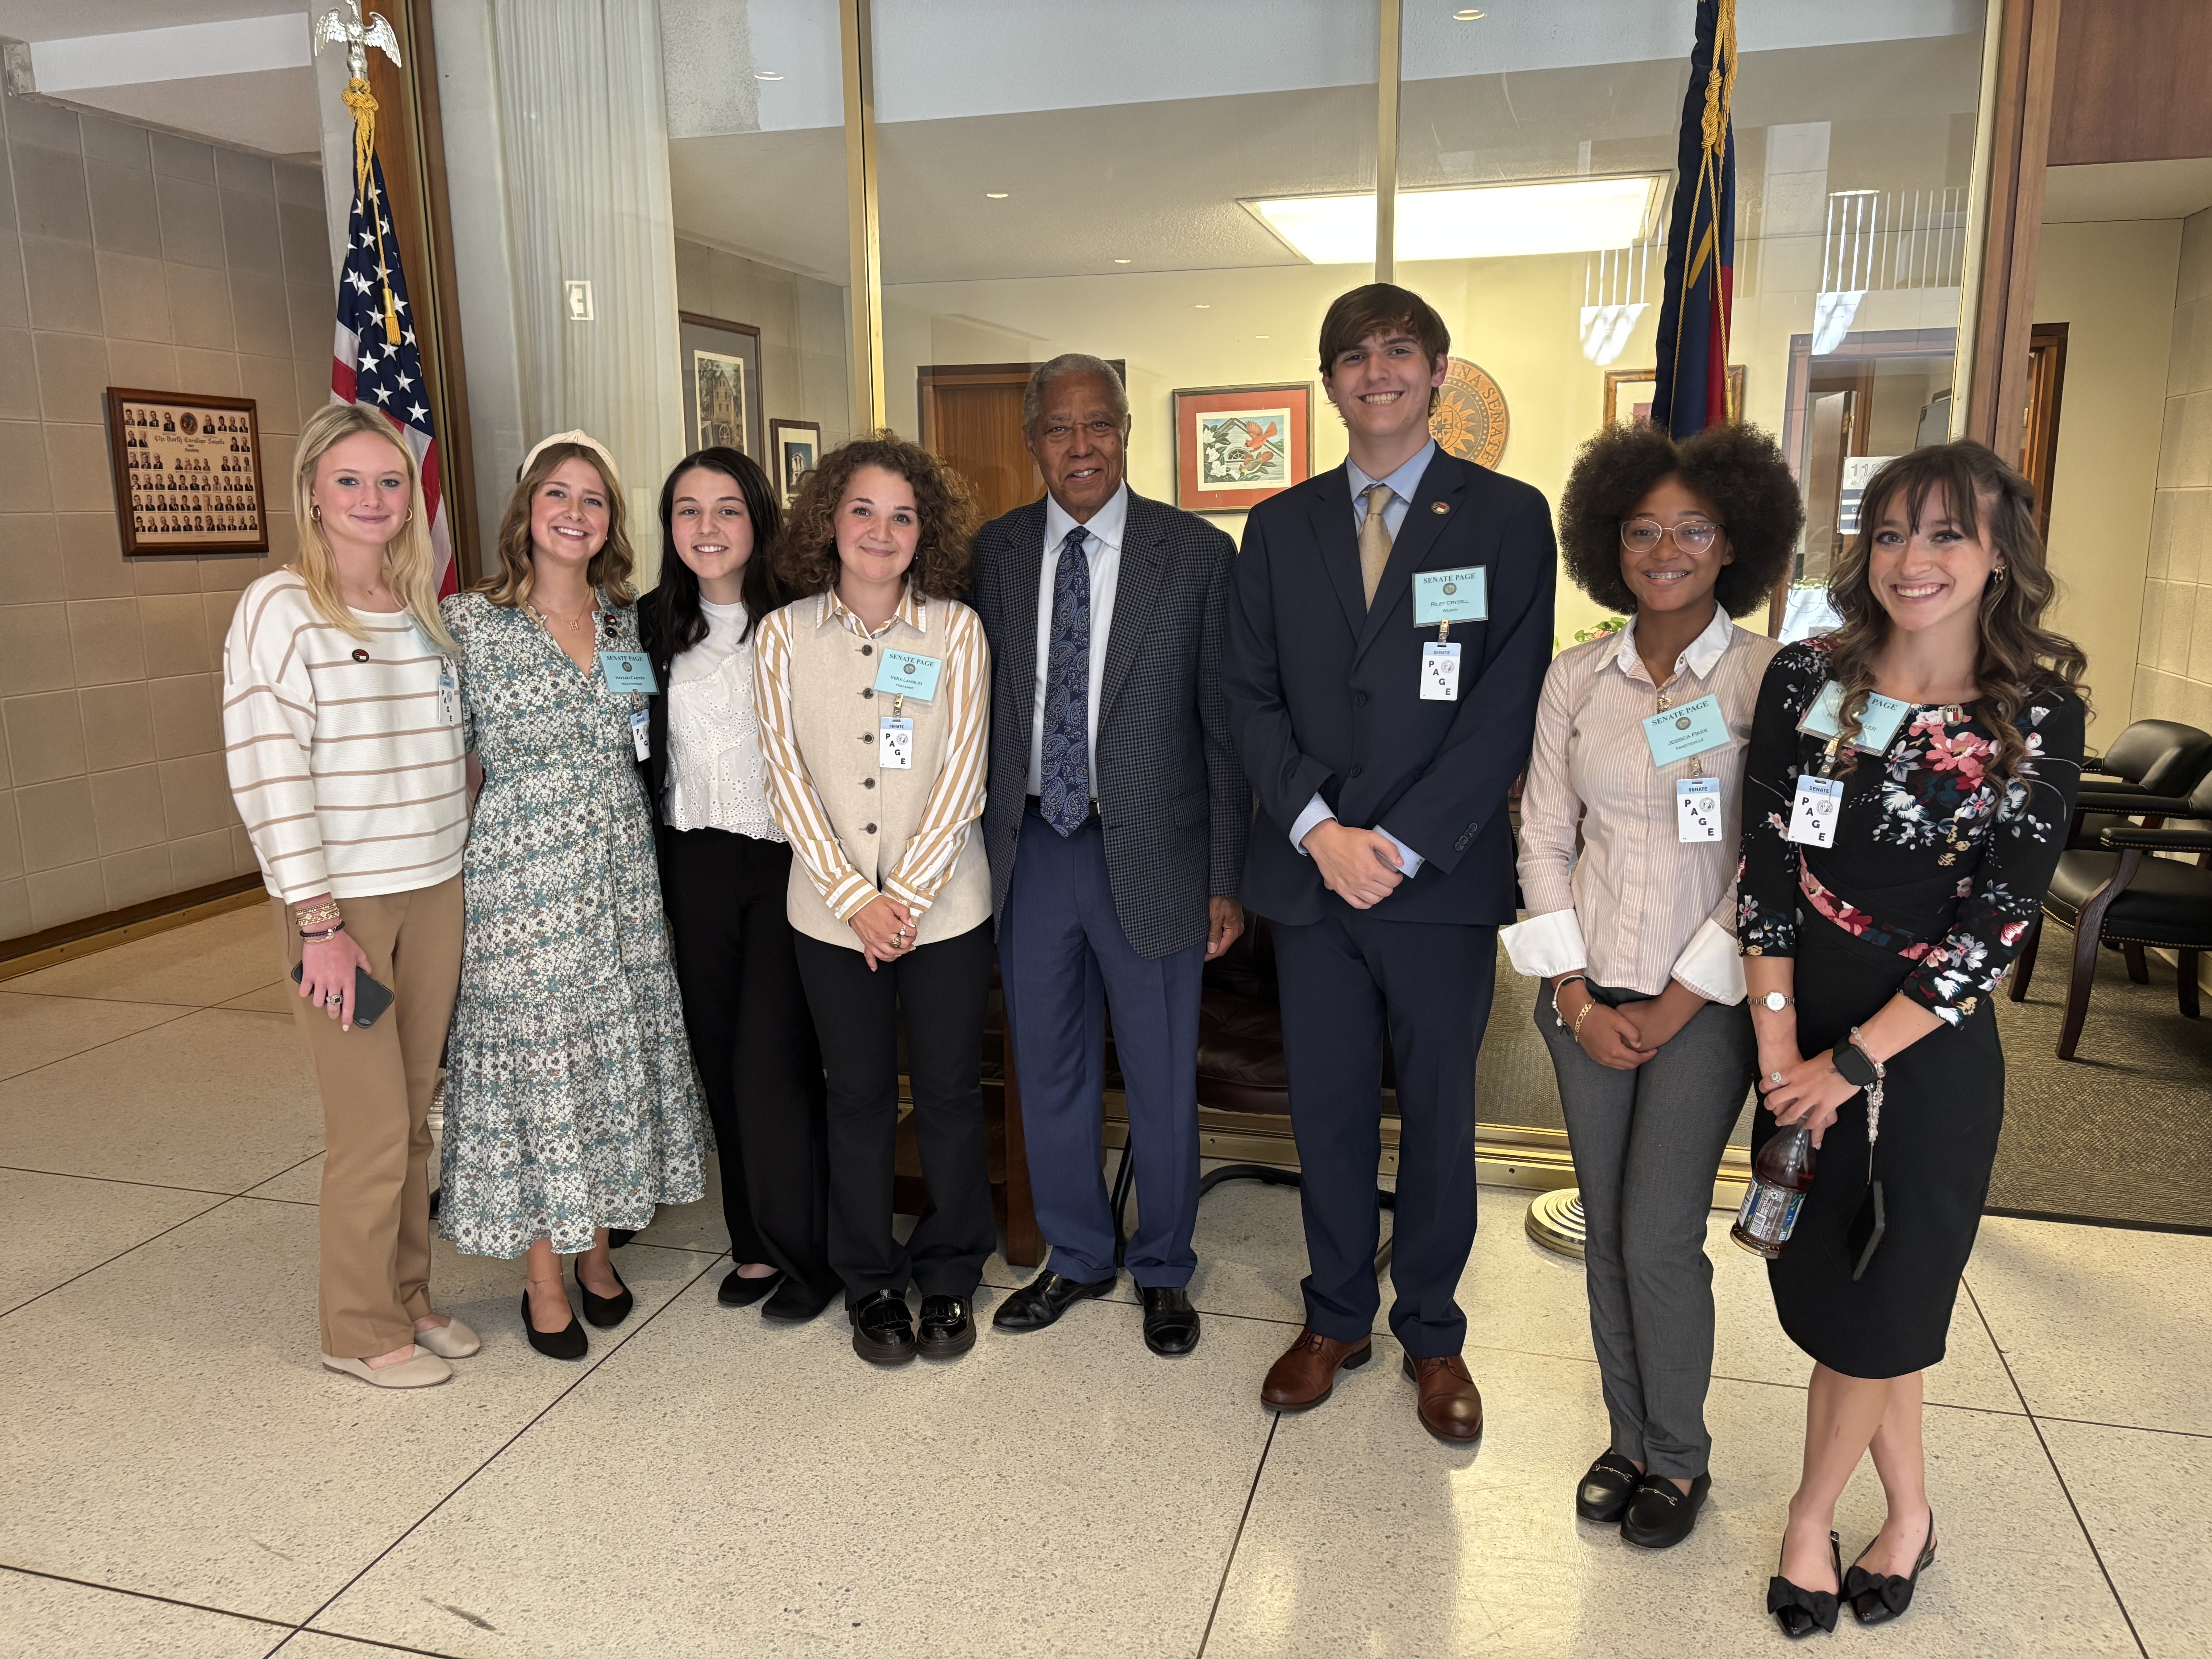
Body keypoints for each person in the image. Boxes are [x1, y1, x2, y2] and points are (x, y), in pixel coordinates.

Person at [1740, 441, 2085, 1636]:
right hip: (1798, 1019)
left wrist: (1849, 1064)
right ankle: (1913, 1510)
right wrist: (1782, 1048)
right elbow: (1770, 869)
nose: (1914, 560)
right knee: (1856, 1291)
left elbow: (1998, 925)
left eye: (1946, 534)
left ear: (1999, 556)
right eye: (1891, 533)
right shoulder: (1809, 678)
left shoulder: (2034, 711)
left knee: (1887, 1295)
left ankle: (1808, 1517)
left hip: (1925, 1043)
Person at [1223, 283, 1555, 1442]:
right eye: (1354, 356)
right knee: (1326, 1116)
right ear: (1329, 383)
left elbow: (1504, 705)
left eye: (1400, 350)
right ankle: (1334, 1317)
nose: (1378, 371)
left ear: (1438, 370)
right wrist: (1321, 829)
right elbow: (1247, 697)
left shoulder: (1509, 520)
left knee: (1441, 1119)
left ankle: (1435, 1335)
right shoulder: (1279, 527)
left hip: (1440, 883)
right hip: (1314, 884)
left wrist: (1403, 844)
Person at [1503, 421, 1800, 1545]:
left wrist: (1678, 1001)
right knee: (1608, 1231)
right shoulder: (1578, 676)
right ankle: (1626, 1439)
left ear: (1736, 540)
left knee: (1661, 1231)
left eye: (1693, 527)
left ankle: (1679, 1455)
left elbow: (1770, 857)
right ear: (1607, 542)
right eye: (1642, 529)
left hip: (1707, 1004)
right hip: (1586, 995)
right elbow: (1540, 836)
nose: (1665, 547)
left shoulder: (1777, 676)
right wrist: (1574, 994)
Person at [969, 355, 1249, 1358]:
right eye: (1059, 428)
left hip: (1160, 851)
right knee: (1048, 1068)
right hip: (1032, 846)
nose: (1080, 446)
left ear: (1126, 432)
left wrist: (1226, 872)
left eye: (1099, 425)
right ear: (1033, 442)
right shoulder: (995, 554)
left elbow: (1222, 724)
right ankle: (1081, 1255)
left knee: (1165, 1072)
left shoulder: (1196, 553)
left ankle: (1165, 1265)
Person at [438, 431, 710, 1361]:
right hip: (524, 877)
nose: (574, 513)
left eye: (594, 499)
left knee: (604, 1060)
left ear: (610, 522)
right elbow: (449, 766)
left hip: (622, 876)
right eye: (557, 494)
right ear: (526, 509)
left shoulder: (628, 623)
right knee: (544, 1066)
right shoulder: (471, 624)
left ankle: (596, 1249)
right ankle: (542, 1276)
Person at [222, 401, 474, 1389]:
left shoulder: (421, 612)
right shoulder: (282, 609)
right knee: (368, 1126)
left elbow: (450, 756)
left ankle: (409, 1295)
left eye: (390, 482)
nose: (374, 500)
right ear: (313, 498)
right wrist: (318, 924)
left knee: (415, 1113)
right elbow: (267, 771)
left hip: (435, 889)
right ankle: (356, 1326)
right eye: (350, 482)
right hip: (343, 911)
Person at [753, 432, 994, 1367]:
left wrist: (907, 898)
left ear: (923, 530)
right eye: (862, 510)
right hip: (827, 913)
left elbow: (962, 774)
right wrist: (858, 900)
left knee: (945, 1096)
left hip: (947, 911)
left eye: (902, 515)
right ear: (828, 520)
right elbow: (787, 779)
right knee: (854, 1097)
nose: (881, 531)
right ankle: (870, 1280)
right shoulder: (783, 637)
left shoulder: (957, 632)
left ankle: (949, 1276)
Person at [637, 447, 838, 1322]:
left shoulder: (804, 622)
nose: (707, 528)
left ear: (759, 520)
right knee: (720, 1061)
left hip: (789, 863)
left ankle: (810, 1257)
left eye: (727, 509)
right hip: (691, 865)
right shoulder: (645, 627)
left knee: (773, 1065)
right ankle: (753, 1245)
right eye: (688, 510)